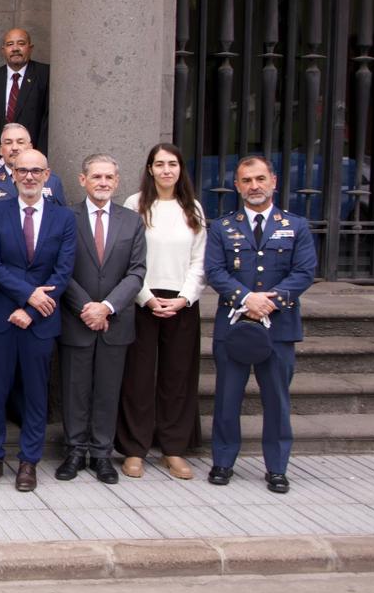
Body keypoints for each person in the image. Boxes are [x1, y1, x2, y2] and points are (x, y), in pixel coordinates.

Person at [204, 155, 317, 494]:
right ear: (237, 186)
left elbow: (304, 272)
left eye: (259, 179)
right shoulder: (223, 227)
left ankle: (277, 467)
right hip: (234, 326)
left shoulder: (295, 226)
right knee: (227, 398)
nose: (254, 186)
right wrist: (246, 298)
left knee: (277, 400)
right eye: (246, 180)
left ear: (273, 181)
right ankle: (223, 462)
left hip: (279, 326)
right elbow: (215, 272)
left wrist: (270, 299)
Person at [0, 148, 78, 492]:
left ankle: (28, 462)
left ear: (47, 175)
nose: (30, 177)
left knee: (36, 394)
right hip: (1, 317)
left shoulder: (64, 219)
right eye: (23, 171)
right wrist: (28, 295)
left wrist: (33, 308)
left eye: (36, 171)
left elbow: (62, 272)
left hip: (41, 320)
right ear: (13, 175)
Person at [119, 143, 207, 480]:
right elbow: (127, 257)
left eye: (173, 164)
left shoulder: (193, 210)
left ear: (181, 169)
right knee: (138, 378)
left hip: (181, 303)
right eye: (160, 164)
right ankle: (134, 449)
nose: (166, 170)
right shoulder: (135, 205)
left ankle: (173, 448)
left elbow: (200, 261)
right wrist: (146, 296)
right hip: (142, 299)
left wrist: (185, 297)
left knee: (177, 377)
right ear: (150, 169)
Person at [57, 154, 146, 485]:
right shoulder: (67, 217)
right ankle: (75, 450)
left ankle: (102, 454)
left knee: (108, 391)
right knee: (75, 389)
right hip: (76, 318)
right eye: (96, 177)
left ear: (117, 182)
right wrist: (87, 307)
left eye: (109, 177)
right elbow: (61, 269)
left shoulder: (132, 221)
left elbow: (136, 272)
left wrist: (107, 307)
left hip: (115, 321)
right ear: (83, 180)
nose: (103, 182)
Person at [0, 27, 50, 154]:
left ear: (30, 48)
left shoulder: (46, 74)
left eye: (21, 43)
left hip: (33, 153)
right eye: (10, 44)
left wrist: (39, 154)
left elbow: (47, 119)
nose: (15, 48)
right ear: (3, 50)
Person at [0, 123, 68, 205]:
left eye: (20, 142)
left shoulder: (52, 181)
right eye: (8, 143)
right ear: (1, 150)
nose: (14, 147)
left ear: (30, 147)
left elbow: (60, 220)